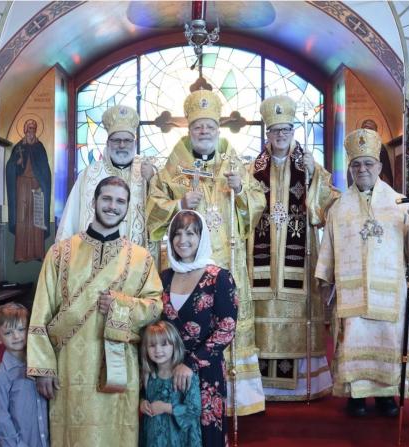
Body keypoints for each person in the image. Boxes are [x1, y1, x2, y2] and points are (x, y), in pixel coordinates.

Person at [147, 89, 266, 416]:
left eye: (209, 127)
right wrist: (180, 205)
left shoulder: (234, 164)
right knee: (189, 325)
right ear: (189, 130)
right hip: (184, 268)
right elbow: (152, 211)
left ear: (218, 129)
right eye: (198, 126)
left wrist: (240, 188)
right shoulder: (174, 167)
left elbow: (257, 205)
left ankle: (231, 404)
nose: (204, 132)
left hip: (224, 266)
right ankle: (183, 399)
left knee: (223, 324)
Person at [27, 176, 163, 446]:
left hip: (117, 366)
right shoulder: (59, 254)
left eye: (120, 201)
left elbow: (155, 307)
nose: (113, 206)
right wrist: (43, 368)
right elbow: (41, 310)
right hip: (68, 366)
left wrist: (120, 305)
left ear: (127, 208)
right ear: (94, 201)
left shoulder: (141, 258)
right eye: (107, 199)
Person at [315, 128, 409, 417]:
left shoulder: (402, 205)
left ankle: (388, 396)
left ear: (379, 166)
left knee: (389, 339)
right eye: (356, 164)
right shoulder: (339, 208)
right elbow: (329, 247)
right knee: (353, 340)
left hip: (390, 291)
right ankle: (356, 396)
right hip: (352, 293)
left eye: (368, 164)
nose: (362, 169)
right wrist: (324, 281)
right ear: (350, 168)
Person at [248, 95, 340, 401]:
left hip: (298, 266)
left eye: (286, 130)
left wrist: (314, 177)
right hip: (260, 267)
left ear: (293, 131)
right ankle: (263, 386)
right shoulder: (252, 171)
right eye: (275, 131)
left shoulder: (310, 167)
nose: (280, 136)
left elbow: (323, 209)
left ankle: (303, 384)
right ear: (267, 135)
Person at [160, 210, 238, 446]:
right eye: (177, 234)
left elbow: (227, 327)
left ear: (201, 237)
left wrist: (191, 364)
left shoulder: (219, 277)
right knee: (171, 433)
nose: (183, 240)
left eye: (191, 233)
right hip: (168, 369)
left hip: (205, 371)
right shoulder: (164, 277)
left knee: (206, 435)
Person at [56, 105, 156, 252]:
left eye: (127, 140)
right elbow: (70, 220)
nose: (122, 145)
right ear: (108, 142)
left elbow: (163, 214)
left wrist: (152, 181)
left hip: (136, 261)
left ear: (134, 143)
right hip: (95, 258)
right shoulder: (90, 174)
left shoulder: (148, 171)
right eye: (116, 140)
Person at [0, 302, 49, 447]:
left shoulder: (42, 368)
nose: (16, 336)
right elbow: (2, 423)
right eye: (8, 333)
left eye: (21, 329)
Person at [139, 320, 202, 447]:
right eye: (152, 345)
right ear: (145, 349)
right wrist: (142, 403)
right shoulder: (148, 376)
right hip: (154, 438)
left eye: (164, 344)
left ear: (174, 345)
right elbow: (144, 397)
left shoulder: (185, 376)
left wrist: (166, 407)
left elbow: (194, 410)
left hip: (179, 439)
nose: (158, 350)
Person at [6, 118, 52, 262]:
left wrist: (43, 183)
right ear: (25, 131)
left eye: (33, 129)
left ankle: (38, 253)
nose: (31, 131)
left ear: (35, 131)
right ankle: (20, 254)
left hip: (37, 185)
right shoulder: (19, 147)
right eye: (29, 129)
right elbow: (10, 167)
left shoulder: (40, 147)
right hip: (21, 186)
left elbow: (45, 170)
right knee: (22, 217)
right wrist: (16, 163)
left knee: (37, 217)